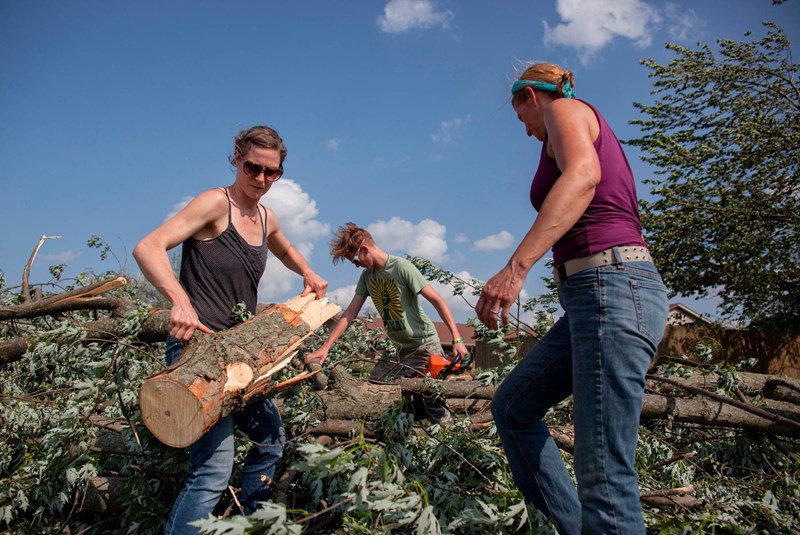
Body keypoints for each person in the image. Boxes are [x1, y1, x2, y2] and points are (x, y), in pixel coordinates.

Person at [477, 63, 668, 535]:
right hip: (593, 297)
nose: (526, 131)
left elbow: (583, 176)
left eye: (521, 118)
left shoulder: (564, 109)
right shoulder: (570, 122)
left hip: (613, 288)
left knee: (603, 471)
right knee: (513, 408)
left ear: (532, 96)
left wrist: (516, 267)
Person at [133, 125, 328, 534]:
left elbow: (284, 248)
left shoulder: (266, 217)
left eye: (271, 172)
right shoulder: (214, 204)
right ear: (237, 160)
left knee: (271, 441)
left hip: (242, 357)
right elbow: (148, 247)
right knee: (213, 470)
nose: (260, 178)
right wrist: (179, 300)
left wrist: (307, 271)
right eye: (252, 167)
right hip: (198, 353)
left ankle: (249, 525)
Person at [303, 223, 469, 423]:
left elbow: (438, 300)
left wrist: (457, 339)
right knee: (375, 388)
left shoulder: (401, 267)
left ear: (365, 249)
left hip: (424, 346)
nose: (356, 265)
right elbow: (350, 313)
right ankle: (399, 432)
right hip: (397, 350)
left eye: (355, 260)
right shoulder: (367, 276)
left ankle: (447, 435)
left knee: (434, 403)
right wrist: (325, 347)